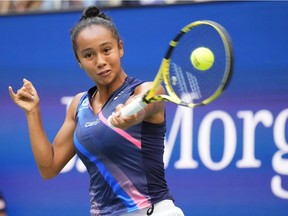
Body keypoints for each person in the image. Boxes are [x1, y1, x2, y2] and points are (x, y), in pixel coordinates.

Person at [8, 6, 185, 216]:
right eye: (89, 55)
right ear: (79, 61)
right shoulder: (78, 105)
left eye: (106, 50)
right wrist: (32, 112)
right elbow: (49, 167)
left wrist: (130, 114)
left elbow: (142, 105)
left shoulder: (147, 89)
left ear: (120, 48)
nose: (100, 61)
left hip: (152, 211)